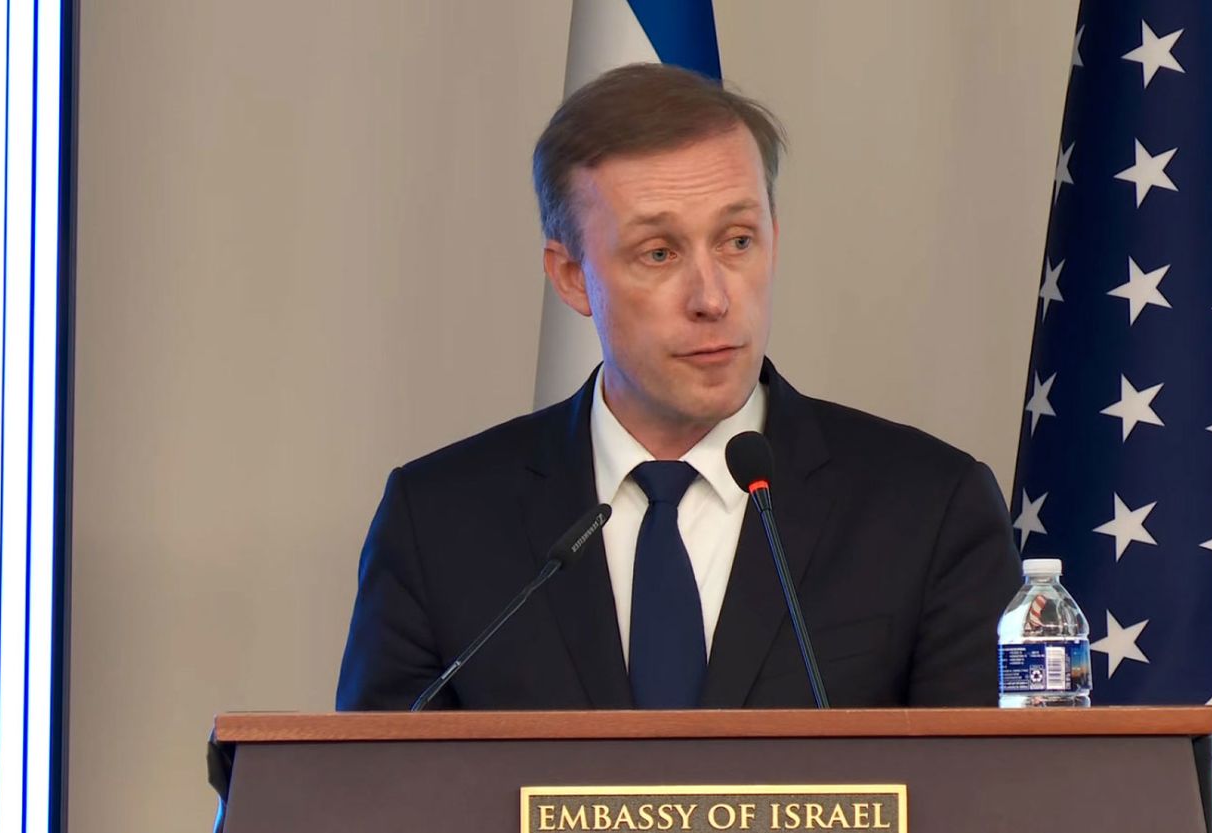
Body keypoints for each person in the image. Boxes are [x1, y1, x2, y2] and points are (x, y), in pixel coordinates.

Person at [336, 64, 1021, 711]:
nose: (713, 297)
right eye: (659, 253)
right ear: (572, 276)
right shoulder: (438, 521)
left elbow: (989, 794)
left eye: (737, 240)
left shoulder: (928, 508)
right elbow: (367, 793)